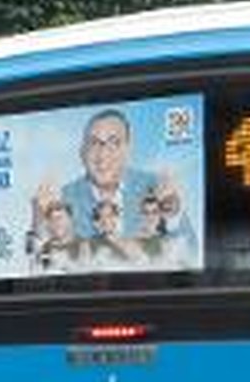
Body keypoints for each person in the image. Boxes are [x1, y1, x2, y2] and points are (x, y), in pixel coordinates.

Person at [43, 106, 188, 268]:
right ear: (82, 152)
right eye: (94, 143)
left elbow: (190, 252)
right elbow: (47, 262)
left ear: (128, 149)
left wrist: (172, 214)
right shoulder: (63, 198)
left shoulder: (154, 185)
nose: (102, 154)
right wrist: (40, 221)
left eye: (113, 142)